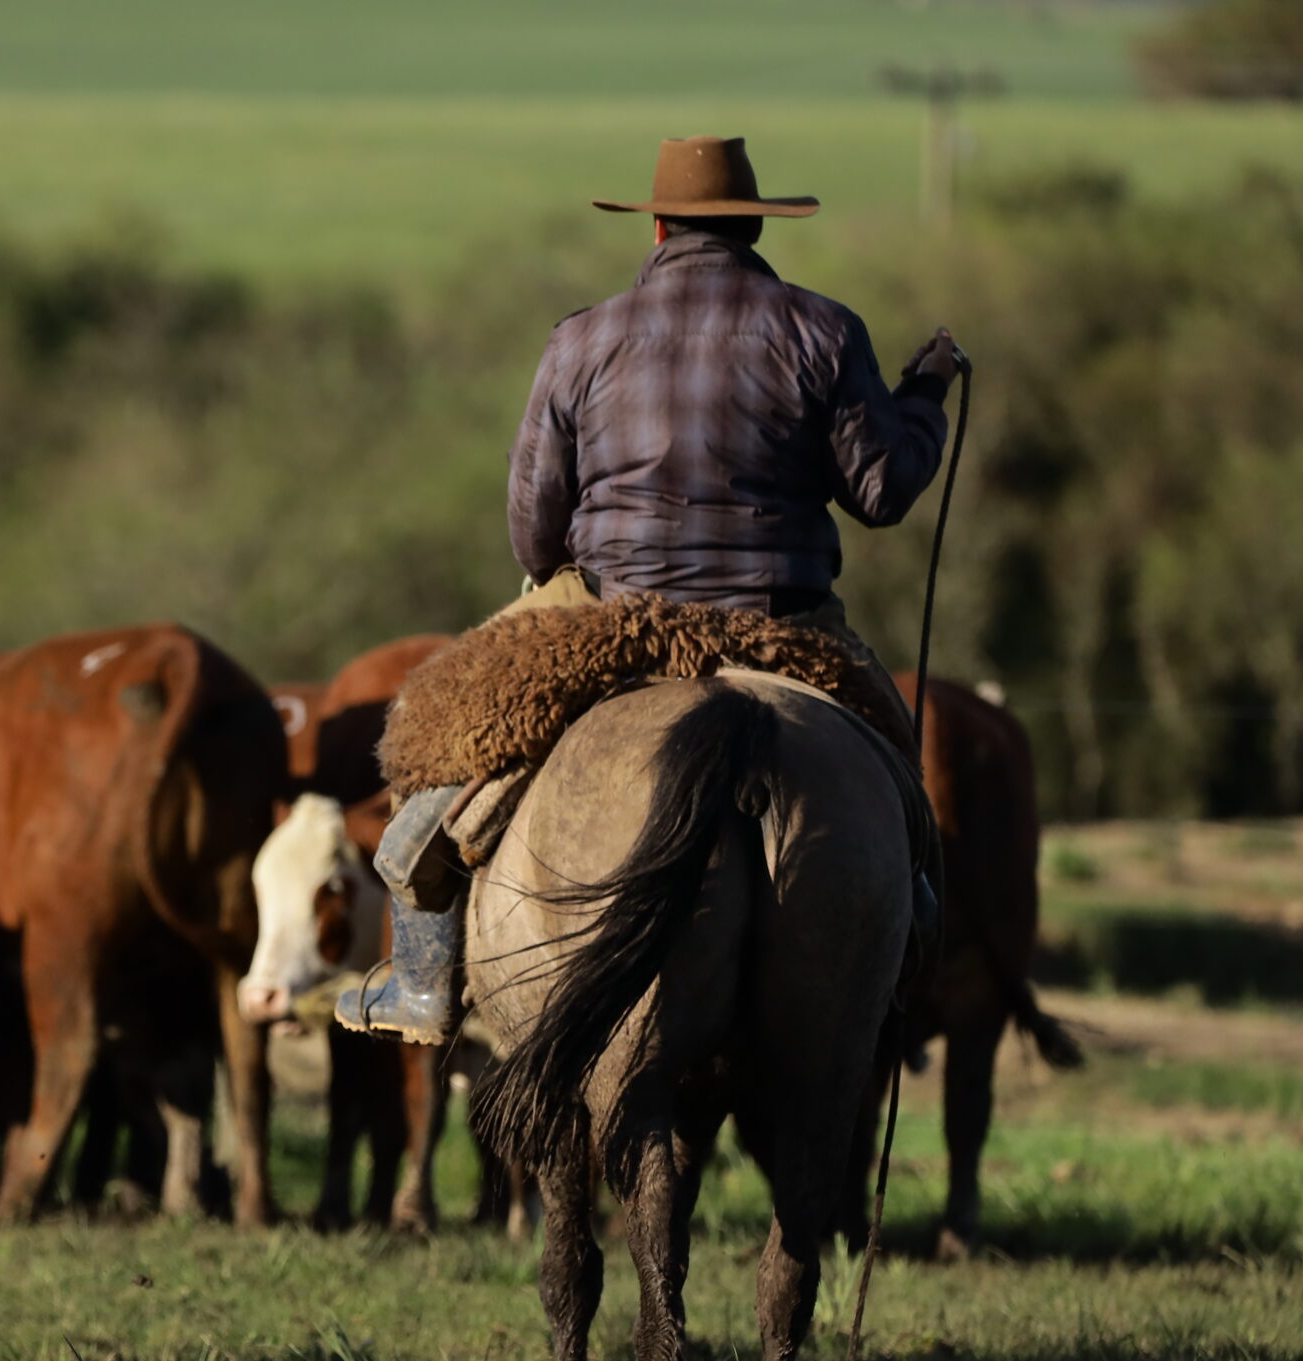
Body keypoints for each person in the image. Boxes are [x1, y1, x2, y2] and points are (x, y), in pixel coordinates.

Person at [338, 135, 961, 1045]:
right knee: (895, 772)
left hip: (613, 617)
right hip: (782, 622)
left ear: (660, 227)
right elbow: (882, 492)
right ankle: (907, 933)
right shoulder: (827, 329)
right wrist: (924, 396)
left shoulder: (581, 339)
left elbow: (533, 532)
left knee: (438, 735)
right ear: (752, 225)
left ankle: (425, 980)